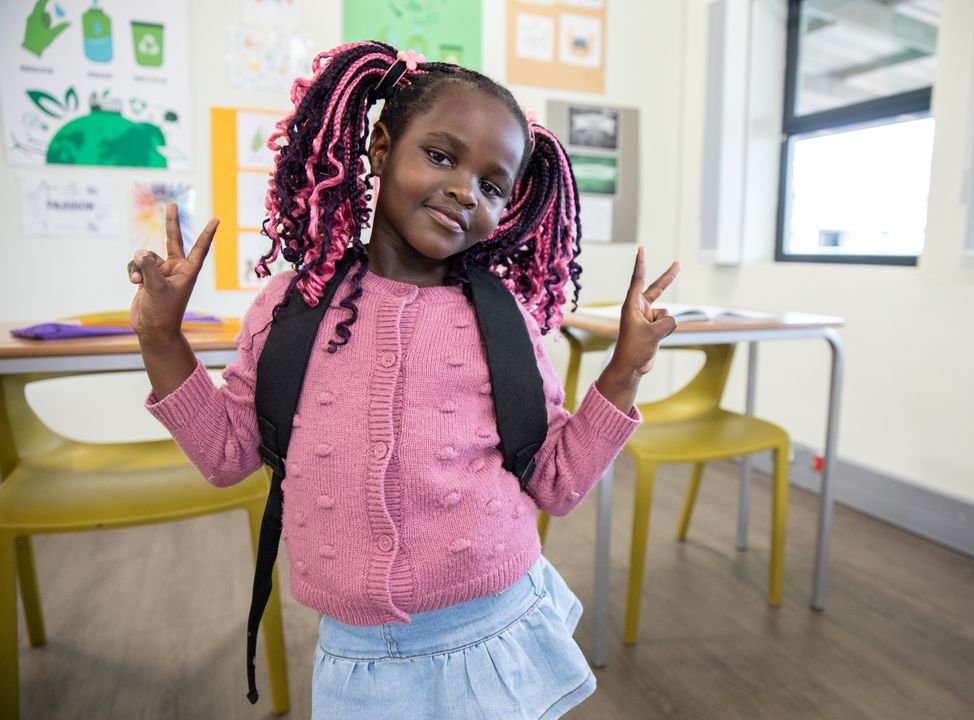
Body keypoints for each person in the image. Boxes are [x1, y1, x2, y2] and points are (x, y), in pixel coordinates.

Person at [127, 41, 679, 720]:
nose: (462, 191)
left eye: (492, 185)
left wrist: (625, 367)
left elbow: (558, 483)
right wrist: (160, 337)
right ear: (381, 148)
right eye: (442, 157)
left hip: (498, 624)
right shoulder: (291, 306)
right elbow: (225, 455)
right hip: (358, 653)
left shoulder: (506, 327)